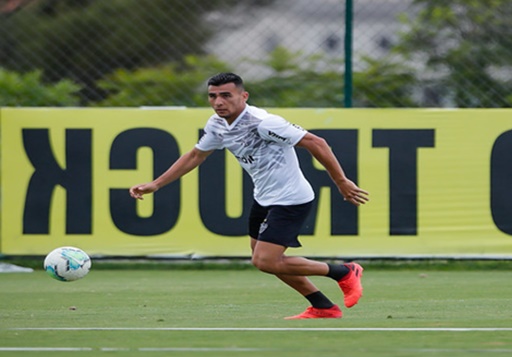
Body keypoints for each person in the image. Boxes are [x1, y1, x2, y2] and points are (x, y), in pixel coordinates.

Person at [129, 72, 369, 319]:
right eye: (213, 96)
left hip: (290, 199)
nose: (218, 102)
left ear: (243, 96)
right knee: (264, 259)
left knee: (265, 261)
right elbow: (195, 155)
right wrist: (156, 184)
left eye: (226, 95)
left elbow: (316, 142)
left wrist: (341, 181)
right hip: (264, 198)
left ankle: (344, 271)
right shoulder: (217, 124)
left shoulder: (264, 123)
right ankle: (322, 306)